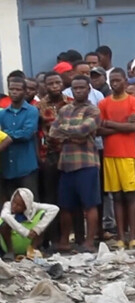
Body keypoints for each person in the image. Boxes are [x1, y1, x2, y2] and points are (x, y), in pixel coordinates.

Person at [49, 75, 102, 253]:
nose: (78, 91)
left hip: (86, 163)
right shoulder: (64, 109)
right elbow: (52, 132)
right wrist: (74, 134)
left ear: (88, 89)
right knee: (65, 205)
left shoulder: (93, 111)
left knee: (90, 204)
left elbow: (83, 130)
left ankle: (89, 242)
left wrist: (68, 131)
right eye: (75, 88)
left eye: (82, 88)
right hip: (66, 164)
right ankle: (64, 241)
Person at [98, 69, 135, 250]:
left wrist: (110, 124)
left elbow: (134, 127)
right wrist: (122, 126)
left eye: (117, 80)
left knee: (130, 196)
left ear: (125, 80)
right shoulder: (103, 103)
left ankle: (133, 236)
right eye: (112, 81)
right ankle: (120, 237)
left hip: (128, 154)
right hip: (110, 155)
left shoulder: (133, 101)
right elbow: (98, 130)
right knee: (116, 196)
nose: (114, 84)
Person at [35, 72, 73, 247]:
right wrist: (39, 156)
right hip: (49, 155)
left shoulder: (71, 103)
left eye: (58, 82)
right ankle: (52, 238)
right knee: (50, 197)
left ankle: (72, 236)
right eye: (51, 83)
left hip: (70, 154)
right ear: (45, 85)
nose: (55, 86)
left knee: (69, 196)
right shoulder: (38, 106)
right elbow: (36, 133)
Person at [0, 77, 40, 200]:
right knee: (10, 205)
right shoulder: (2, 113)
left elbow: (26, 134)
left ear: (24, 91)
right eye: (11, 89)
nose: (14, 92)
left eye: (18, 89)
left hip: (26, 166)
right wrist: (14, 134)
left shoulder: (32, 111)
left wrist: (6, 135)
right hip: (7, 167)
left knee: (31, 203)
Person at [0, 188, 58, 260]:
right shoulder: (8, 205)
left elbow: (54, 209)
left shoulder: (33, 207)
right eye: (14, 202)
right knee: (5, 224)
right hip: (11, 241)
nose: (14, 206)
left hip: (30, 239)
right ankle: (10, 252)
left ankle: (33, 249)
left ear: (26, 207)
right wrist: (25, 232)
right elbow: (4, 216)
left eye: (19, 205)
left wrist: (37, 229)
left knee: (43, 216)